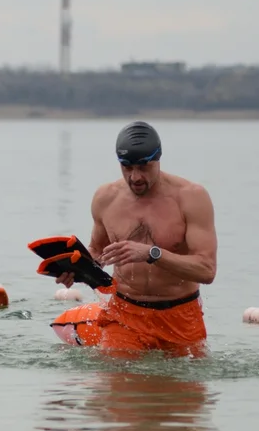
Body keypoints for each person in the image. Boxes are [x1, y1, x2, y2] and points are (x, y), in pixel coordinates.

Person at [54, 120, 216, 356]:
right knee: (117, 386)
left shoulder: (191, 198)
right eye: (127, 167)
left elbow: (207, 270)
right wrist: (77, 269)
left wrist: (152, 254)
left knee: (184, 392)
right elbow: (98, 252)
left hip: (180, 315)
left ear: (158, 158)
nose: (135, 176)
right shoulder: (105, 198)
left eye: (143, 166)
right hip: (125, 313)